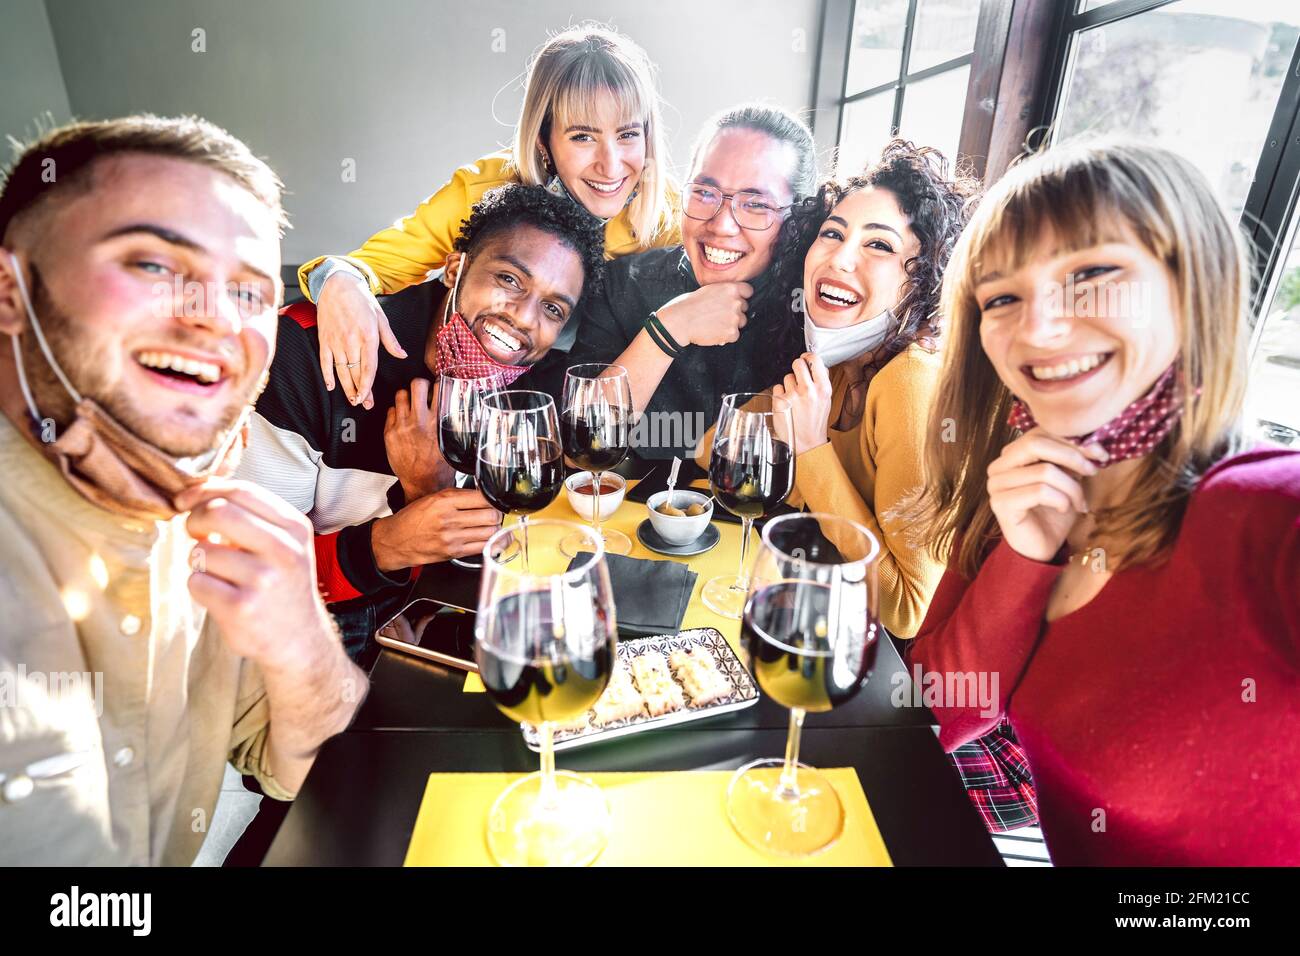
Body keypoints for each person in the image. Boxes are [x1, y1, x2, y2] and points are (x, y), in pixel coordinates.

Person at [907, 139, 1300, 864]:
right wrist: (1024, 558)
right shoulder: (1026, 483)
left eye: (1092, 273)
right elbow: (936, 701)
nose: (1039, 327)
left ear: (1192, 287)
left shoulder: (1262, 512)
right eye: (1002, 297)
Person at [0, 115, 366, 865]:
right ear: (12, 293)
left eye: (249, 290)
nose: (215, 318)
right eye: (153, 264)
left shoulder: (191, 517)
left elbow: (304, 763)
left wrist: (304, 645)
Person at [237, 184, 605, 656]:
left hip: (421, 608)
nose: (524, 319)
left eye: (552, 308)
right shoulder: (303, 353)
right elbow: (243, 571)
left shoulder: (522, 388)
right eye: (510, 280)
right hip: (295, 624)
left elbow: (471, 550)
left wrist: (427, 490)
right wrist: (388, 546)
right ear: (456, 269)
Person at [300, 23, 678, 410]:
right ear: (543, 140)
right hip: (496, 404)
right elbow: (370, 267)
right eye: (583, 137)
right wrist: (342, 282)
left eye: (628, 135)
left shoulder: (670, 219)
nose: (611, 165)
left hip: (609, 411)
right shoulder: (482, 192)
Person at [565, 103, 815, 461]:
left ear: (799, 217)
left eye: (756, 204)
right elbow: (583, 450)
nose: (721, 225)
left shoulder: (812, 310)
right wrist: (668, 329)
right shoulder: (623, 284)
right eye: (705, 193)